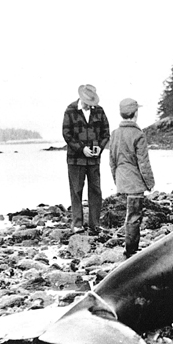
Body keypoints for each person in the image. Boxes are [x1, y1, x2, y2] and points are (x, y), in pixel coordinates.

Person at [109, 98, 155, 258]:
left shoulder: (114, 133)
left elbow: (112, 161)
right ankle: (131, 251)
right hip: (135, 180)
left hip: (121, 180)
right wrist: (150, 183)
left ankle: (130, 247)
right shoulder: (138, 134)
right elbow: (143, 163)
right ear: (135, 113)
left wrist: (116, 180)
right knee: (135, 216)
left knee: (129, 216)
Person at [62, 84, 110, 235]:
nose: (90, 106)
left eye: (91, 103)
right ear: (82, 98)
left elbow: (106, 133)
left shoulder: (99, 111)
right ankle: (77, 224)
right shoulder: (70, 110)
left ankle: (95, 224)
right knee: (76, 190)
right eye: (87, 103)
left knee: (95, 190)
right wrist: (82, 149)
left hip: (94, 160)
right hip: (75, 160)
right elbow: (66, 134)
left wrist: (99, 148)